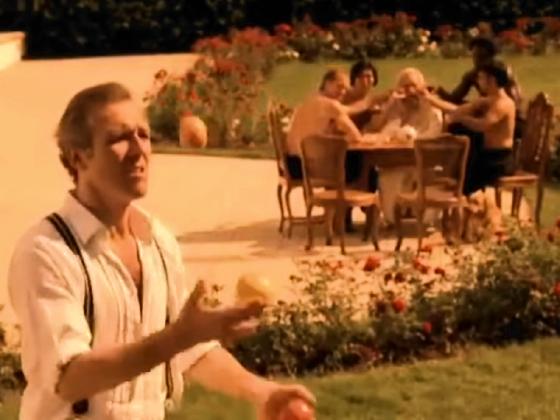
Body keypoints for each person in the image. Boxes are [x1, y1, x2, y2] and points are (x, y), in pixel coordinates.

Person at [8, 82, 315, 420]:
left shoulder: (158, 241)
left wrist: (262, 391)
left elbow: (190, 350)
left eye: (144, 135)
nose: (138, 150)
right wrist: (177, 337)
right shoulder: (46, 252)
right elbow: (70, 378)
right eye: (119, 138)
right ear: (77, 157)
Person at [286, 69, 367, 231]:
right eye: (339, 86)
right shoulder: (330, 105)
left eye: (345, 88)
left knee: (344, 159)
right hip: (312, 168)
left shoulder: (310, 100)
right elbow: (356, 136)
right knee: (362, 162)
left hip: (293, 165)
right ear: (327, 83)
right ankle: (350, 215)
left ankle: (338, 215)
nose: (343, 92)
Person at [424, 62, 516, 195]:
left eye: (481, 78)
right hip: (485, 154)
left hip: (498, 159)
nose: (478, 81)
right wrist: (430, 99)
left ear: (491, 80)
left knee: (463, 176)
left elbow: (482, 125)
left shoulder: (503, 104)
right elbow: (457, 110)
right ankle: (454, 183)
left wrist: (461, 119)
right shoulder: (487, 100)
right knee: (458, 136)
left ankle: (462, 193)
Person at [367, 67, 443, 225]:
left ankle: (424, 218)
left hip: (426, 161)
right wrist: (389, 106)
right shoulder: (397, 106)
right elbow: (376, 129)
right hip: (399, 160)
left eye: (413, 86)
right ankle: (393, 218)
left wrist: (410, 139)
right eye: (405, 86)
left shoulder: (431, 108)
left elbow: (433, 134)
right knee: (387, 176)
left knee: (424, 175)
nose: (409, 91)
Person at [436, 37, 522, 108]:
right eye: (475, 56)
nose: (476, 60)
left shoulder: (502, 70)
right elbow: (455, 98)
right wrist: (439, 91)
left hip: (504, 108)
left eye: (480, 56)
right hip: (488, 107)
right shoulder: (472, 75)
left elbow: (516, 98)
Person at [342, 60, 390, 131]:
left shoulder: (373, 98)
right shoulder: (343, 95)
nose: (364, 81)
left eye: (368, 76)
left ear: (374, 79)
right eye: (360, 76)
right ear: (354, 79)